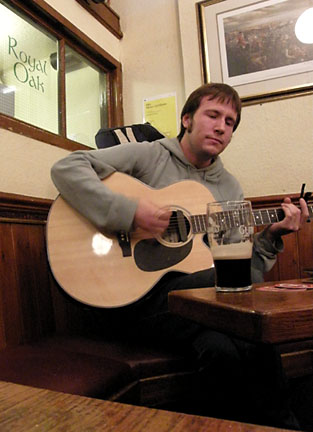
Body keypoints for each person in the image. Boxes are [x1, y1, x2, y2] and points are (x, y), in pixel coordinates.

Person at [51, 83, 309, 430]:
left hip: (200, 309)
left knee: (222, 345)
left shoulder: (229, 190)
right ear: (187, 119)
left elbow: (243, 277)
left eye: (230, 122)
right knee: (230, 304)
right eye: (213, 115)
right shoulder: (149, 155)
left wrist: (271, 238)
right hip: (132, 299)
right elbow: (67, 167)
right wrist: (128, 212)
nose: (221, 127)